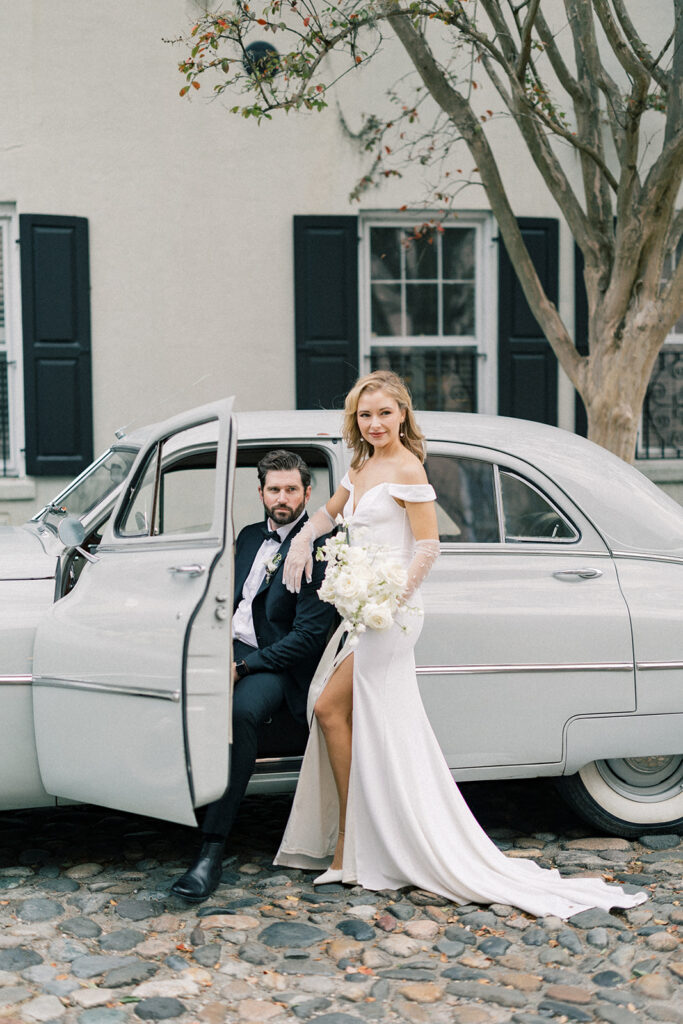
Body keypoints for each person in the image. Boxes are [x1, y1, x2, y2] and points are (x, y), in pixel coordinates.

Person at [273, 370, 647, 919]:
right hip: (363, 610)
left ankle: (354, 848)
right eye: (365, 415)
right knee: (352, 717)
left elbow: (428, 546)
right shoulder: (359, 466)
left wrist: (389, 594)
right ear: (356, 420)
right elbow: (331, 513)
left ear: (402, 414)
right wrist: (305, 539)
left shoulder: (408, 467)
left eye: (384, 413)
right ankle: (354, 845)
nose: (375, 424)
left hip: (393, 611)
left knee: (335, 708)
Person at [171, 450, 336, 903]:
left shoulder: (323, 547)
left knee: (239, 712)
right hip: (231, 647)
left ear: (307, 492)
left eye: (291, 489)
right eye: (273, 489)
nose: (281, 498)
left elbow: (308, 638)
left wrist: (242, 668)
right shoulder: (246, 537)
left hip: (278, 661)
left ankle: (211, 850)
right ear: (260, 491)